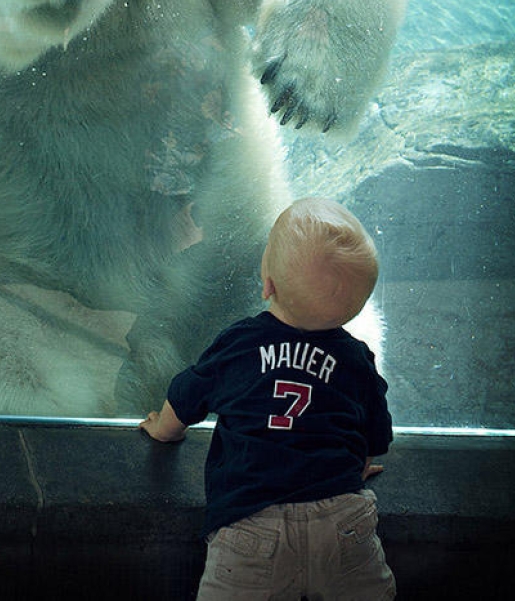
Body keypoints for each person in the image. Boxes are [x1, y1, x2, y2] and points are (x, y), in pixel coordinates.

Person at [140, 196, 396, 600]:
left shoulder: (240, 344)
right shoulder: (355, 359)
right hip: (343, 525)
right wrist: (357, 462)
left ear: (267, 285)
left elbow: (188, 394)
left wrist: (163, 430)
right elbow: (376, 428)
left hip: (250, 526)